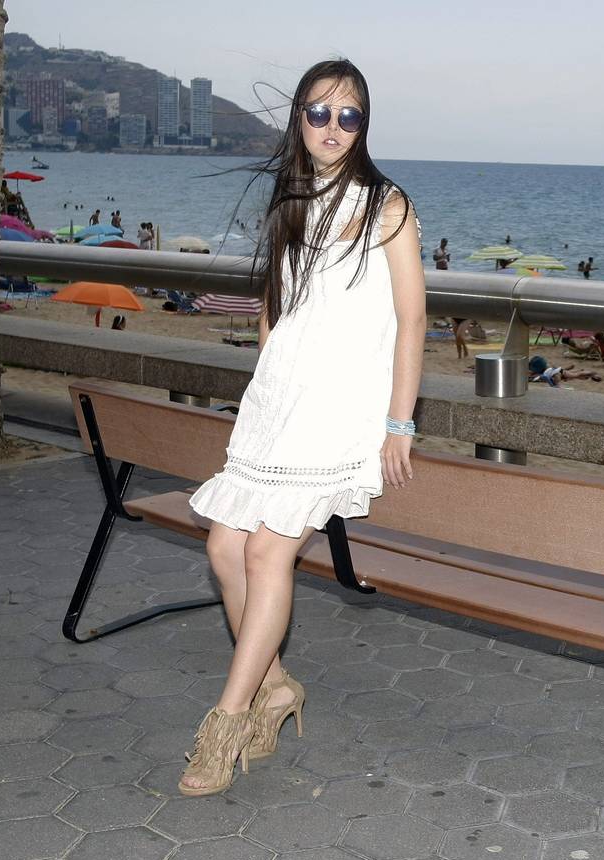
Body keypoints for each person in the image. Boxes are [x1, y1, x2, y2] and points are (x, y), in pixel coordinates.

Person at [182, 59, 425, 797]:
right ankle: (277, 686)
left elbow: (413, 318)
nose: (333, 127)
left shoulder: (387, 205)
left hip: (339, 411)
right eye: (320, 112)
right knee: (223, 545)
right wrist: (267, 380)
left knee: (265, 552)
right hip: (279, 405)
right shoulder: (293, 198)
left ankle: (226, 723)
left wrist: (399, 422)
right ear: (299, 119)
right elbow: (275, 304)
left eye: (349, 115)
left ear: (365, 126)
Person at [527, 355, 601, 386]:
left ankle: (592, 373)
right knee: (576, 376)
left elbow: (557, 375)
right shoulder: (546, 370)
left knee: (576, 375)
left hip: (561, 373)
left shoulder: (546, 372)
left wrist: (556, 384)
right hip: (562, 372)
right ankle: (585, 373)